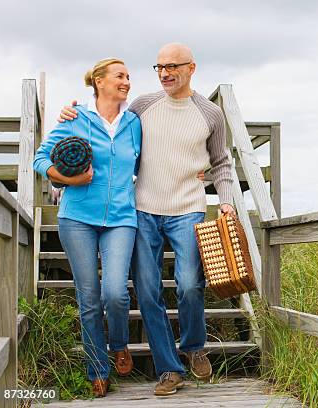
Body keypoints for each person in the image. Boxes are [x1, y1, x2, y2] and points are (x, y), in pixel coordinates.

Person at [60, 43, 236, 396]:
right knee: (148, 290)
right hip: (143, 207)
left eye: (172, 66)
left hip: (188, 207)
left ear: (192, 68)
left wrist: (228, 201)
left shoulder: (210, 114)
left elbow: (221, 162)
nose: (165, 73)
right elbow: (108, 126)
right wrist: (71, 114)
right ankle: (169, 369)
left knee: (188, 283)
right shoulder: (142, 105)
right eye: (158, 67)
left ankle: (193, 346)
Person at [35, 58, 141, 398]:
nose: (126, 81)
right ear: (99, 81)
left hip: (122, 218)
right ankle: (97, 369)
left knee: (115, 292)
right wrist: (68, 178)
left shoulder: (134, 123)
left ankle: (120, 343)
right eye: (119, 76)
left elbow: (152, 160)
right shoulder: (76, 117)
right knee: (90, 299)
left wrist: (196, 170)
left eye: (128, 76)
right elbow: (41, 158)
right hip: (77, 217)